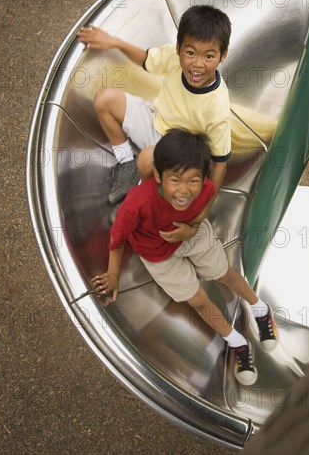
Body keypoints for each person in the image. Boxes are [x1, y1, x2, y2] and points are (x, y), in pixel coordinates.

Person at [91, 129, 278, 386]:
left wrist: (193, 227)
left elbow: (208, 195)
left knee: (224, 273)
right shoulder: (138, 202)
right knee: (198, 300)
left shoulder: (204, 189)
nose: (184, 190)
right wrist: (113, 274)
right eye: (175, 180)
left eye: (193, 181)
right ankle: (238, 343)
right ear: (158, 175)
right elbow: (118, 236)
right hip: (157, 254)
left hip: (192, 233)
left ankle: (260, 309)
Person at [78, 5, 232, 238]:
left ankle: (139, 203)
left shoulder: (216, 105)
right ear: (179, 48)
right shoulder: (172, 57)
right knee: (105, 100)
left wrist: (200, 216)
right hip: (157, 120)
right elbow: (146, 60)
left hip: (182, 149)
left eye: (209, 56)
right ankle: (125, 162)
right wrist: (114, 42)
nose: (197, 64)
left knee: (148, 158)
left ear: (223, 55)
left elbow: (220, 164)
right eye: (190, 53)